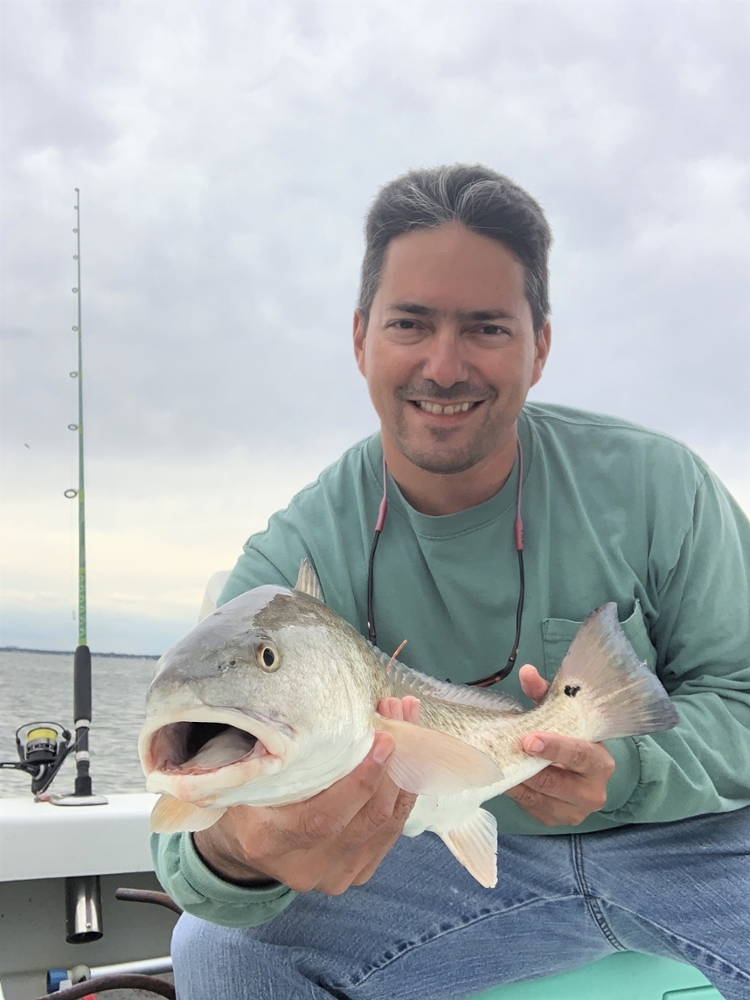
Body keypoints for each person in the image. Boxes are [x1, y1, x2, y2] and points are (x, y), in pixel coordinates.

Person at [154, 165, 750, 1000]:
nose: (443, 365)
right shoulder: (297, 561)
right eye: (410, 323)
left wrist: (628, 770)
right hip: (442, 867)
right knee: (222, 950)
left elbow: (742, 692)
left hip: (690, 844)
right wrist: (244, 852)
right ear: (360, 336)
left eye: (485, 329)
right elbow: (189, 857)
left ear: (540, 346)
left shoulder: (660, 486)